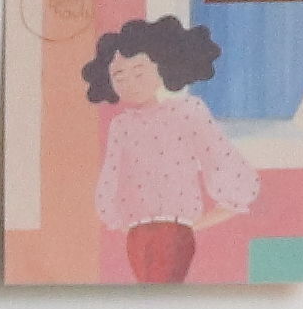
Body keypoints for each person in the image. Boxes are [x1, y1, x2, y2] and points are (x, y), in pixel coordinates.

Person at [81, 16, 258, 282]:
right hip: (136, 235)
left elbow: (220, 158)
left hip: (175, 234)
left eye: (139, 72)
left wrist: (190, 224)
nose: (130, 82)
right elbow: (111, 176)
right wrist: (125, 221)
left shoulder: (187, 112)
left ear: (161, 68)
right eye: (119, 76)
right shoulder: (121, 126)